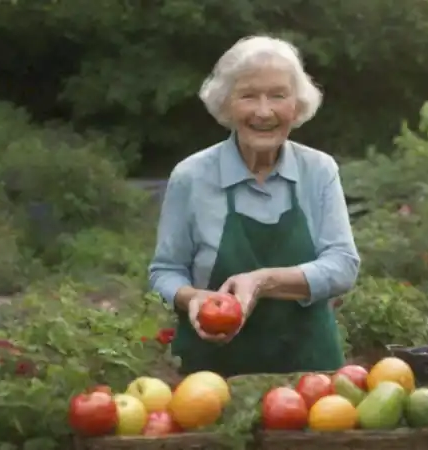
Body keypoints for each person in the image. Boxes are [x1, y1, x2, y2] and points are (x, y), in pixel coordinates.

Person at [148, 35, 360, 377]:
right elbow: (164, 272)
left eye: (278, 95)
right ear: (227, 104)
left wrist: (262, 281)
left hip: (311, 380)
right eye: (248, 96)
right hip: (210, 381)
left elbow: (343, 266)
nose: (264, 111)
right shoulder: (191, 176)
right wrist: (193, 299)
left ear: (297, 105)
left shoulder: (319, 171)